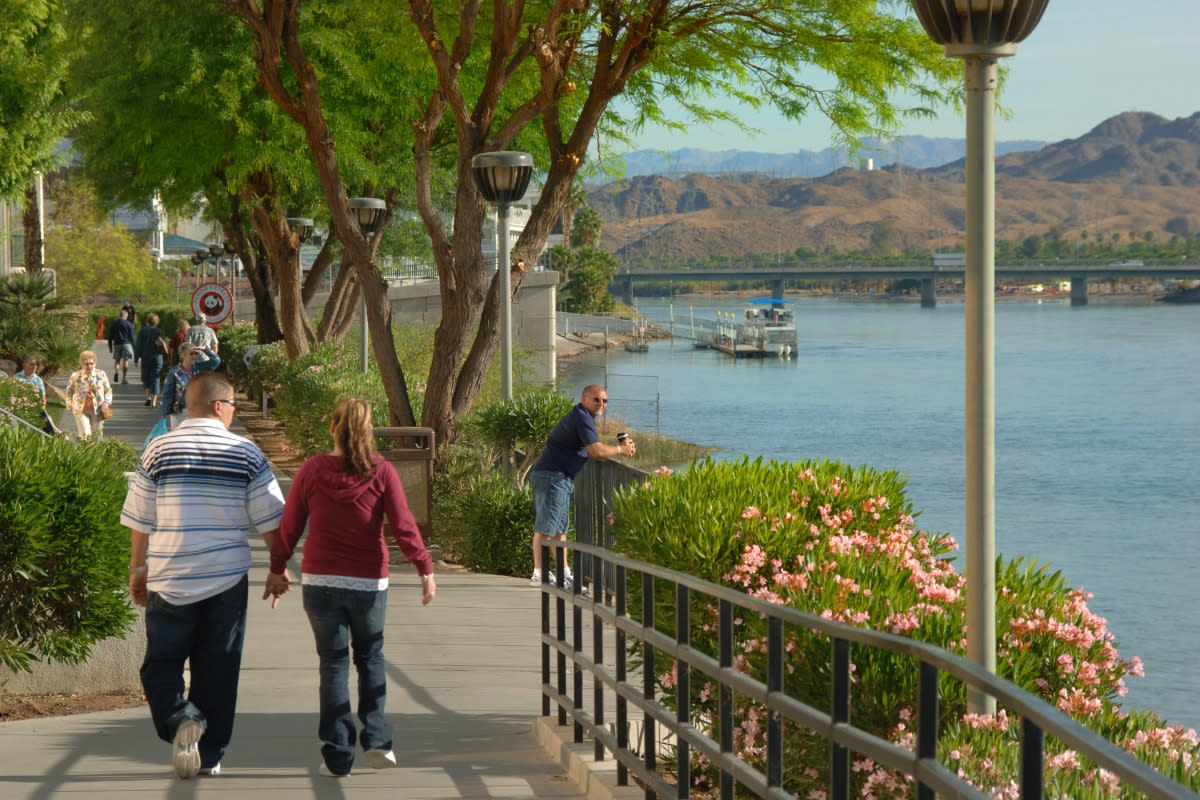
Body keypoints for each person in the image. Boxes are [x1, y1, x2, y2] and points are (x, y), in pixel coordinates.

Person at [122, 371, 285, 780]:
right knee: (219, 666)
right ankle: (209, 756)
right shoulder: (245, 452)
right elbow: (271, 518)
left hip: (168, 574)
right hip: (225, 577)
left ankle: (180, 718)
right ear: (219, 406)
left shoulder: (158, 449)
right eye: (232, 405)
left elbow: (140, 518)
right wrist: (278, 569)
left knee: (161, 661)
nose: (233, 412)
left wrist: (137, 569)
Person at [265, 397, 436, 778]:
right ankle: (377, 740)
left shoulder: (312, 470)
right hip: (369, 582)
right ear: (368, 431)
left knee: (334, 665)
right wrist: (425, 568)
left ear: (331, 426)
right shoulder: (383, 472)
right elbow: (404, 526)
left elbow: (289, 525)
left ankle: (338, 755)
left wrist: (277, 569)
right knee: (370, 657)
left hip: (321, 581)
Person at [528, 384, 635, 587]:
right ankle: (539, 573)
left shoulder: (583, 417)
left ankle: (564, 573)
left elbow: (594, 447)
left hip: (560, 477)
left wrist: (616, 448)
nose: (601, 404)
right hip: (553, 476)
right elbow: (596, 451)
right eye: (597, 399)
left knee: (559, 528)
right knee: (545, 527)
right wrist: (620, 449)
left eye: (605, 401)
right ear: (585, 399)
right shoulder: (582, 417)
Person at [160, 342, 221, 429]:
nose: (194, 356)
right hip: (180, 411)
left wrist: (206, 349)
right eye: (191, 353)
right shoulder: (174, 372)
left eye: (196, 353)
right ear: (183, 355)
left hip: (198, 410)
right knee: (180, 438)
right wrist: (164, 413)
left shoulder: (199, 368)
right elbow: (167, 393)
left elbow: (216, 361)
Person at [65, 350, 113, 438]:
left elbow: (108, 391)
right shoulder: (76, 375)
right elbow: (69, 391)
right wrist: (71, 405)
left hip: (98, 410)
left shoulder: (101, 374)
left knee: (97, 438)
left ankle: (97, 452)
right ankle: (84, 451)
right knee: (85, 436)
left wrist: (106, 403)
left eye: (91, 363)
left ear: (95, 363)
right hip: (81, 411)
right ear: (82, 364)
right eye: (86, 363)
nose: (89, 366)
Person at [134, 312, 166, 407]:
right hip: (157, 357)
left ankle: (148, 397)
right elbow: (165, 346)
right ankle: (155, 400)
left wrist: (136, 358)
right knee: (156, 378)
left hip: (146, 357)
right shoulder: (159, 331)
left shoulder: (143, 331)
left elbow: (138, 346)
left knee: (146, 377)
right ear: (157, 322)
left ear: (147, 321)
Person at [107, 309, 136, 384]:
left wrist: (110, 347)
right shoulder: (129, 324)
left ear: (119, 315)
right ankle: (123, 378)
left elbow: (110, 336)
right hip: (126, 344)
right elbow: (132, 337)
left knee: (117, 360)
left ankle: (116, 371)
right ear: (126, 316)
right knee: (125, 361)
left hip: (117, 344)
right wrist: (135, 348)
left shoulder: (114, 323)